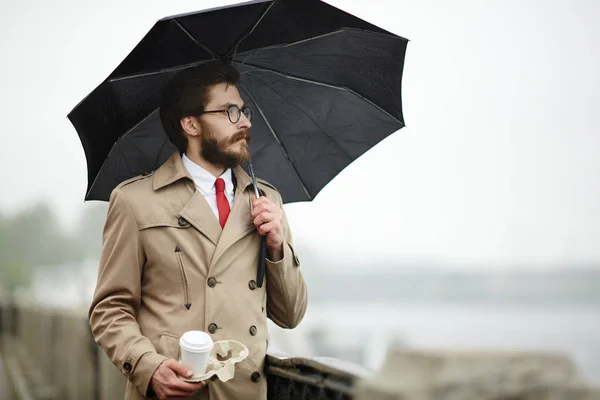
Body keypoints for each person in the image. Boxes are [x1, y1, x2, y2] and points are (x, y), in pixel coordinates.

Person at [88, 62, 308, 400]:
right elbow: (109, 309)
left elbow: (291, 315)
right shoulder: (135, 201)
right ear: (191, 123)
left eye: (244, 110)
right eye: (230, 112)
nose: (246, 122)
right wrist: (148, 366)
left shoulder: (266, 200)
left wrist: (277, 248)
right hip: (176, 392)